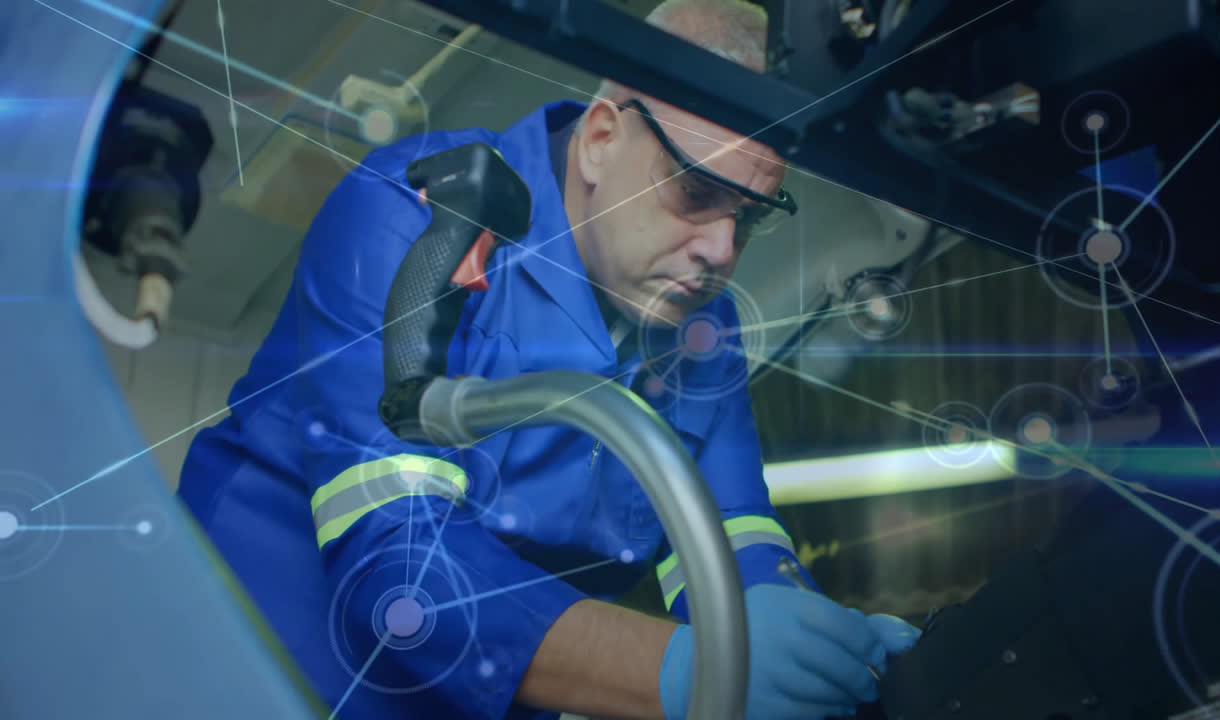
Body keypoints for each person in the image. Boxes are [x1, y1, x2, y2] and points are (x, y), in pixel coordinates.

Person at [178, 1, 920, 718]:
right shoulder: (420, 220)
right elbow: (399, 570)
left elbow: (733, 531)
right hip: (241, 671)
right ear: (600, 139)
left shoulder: (702, 327)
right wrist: (682, 672)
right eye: (695, 192)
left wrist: (823, 650)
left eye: (749, 218)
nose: (722, 251)